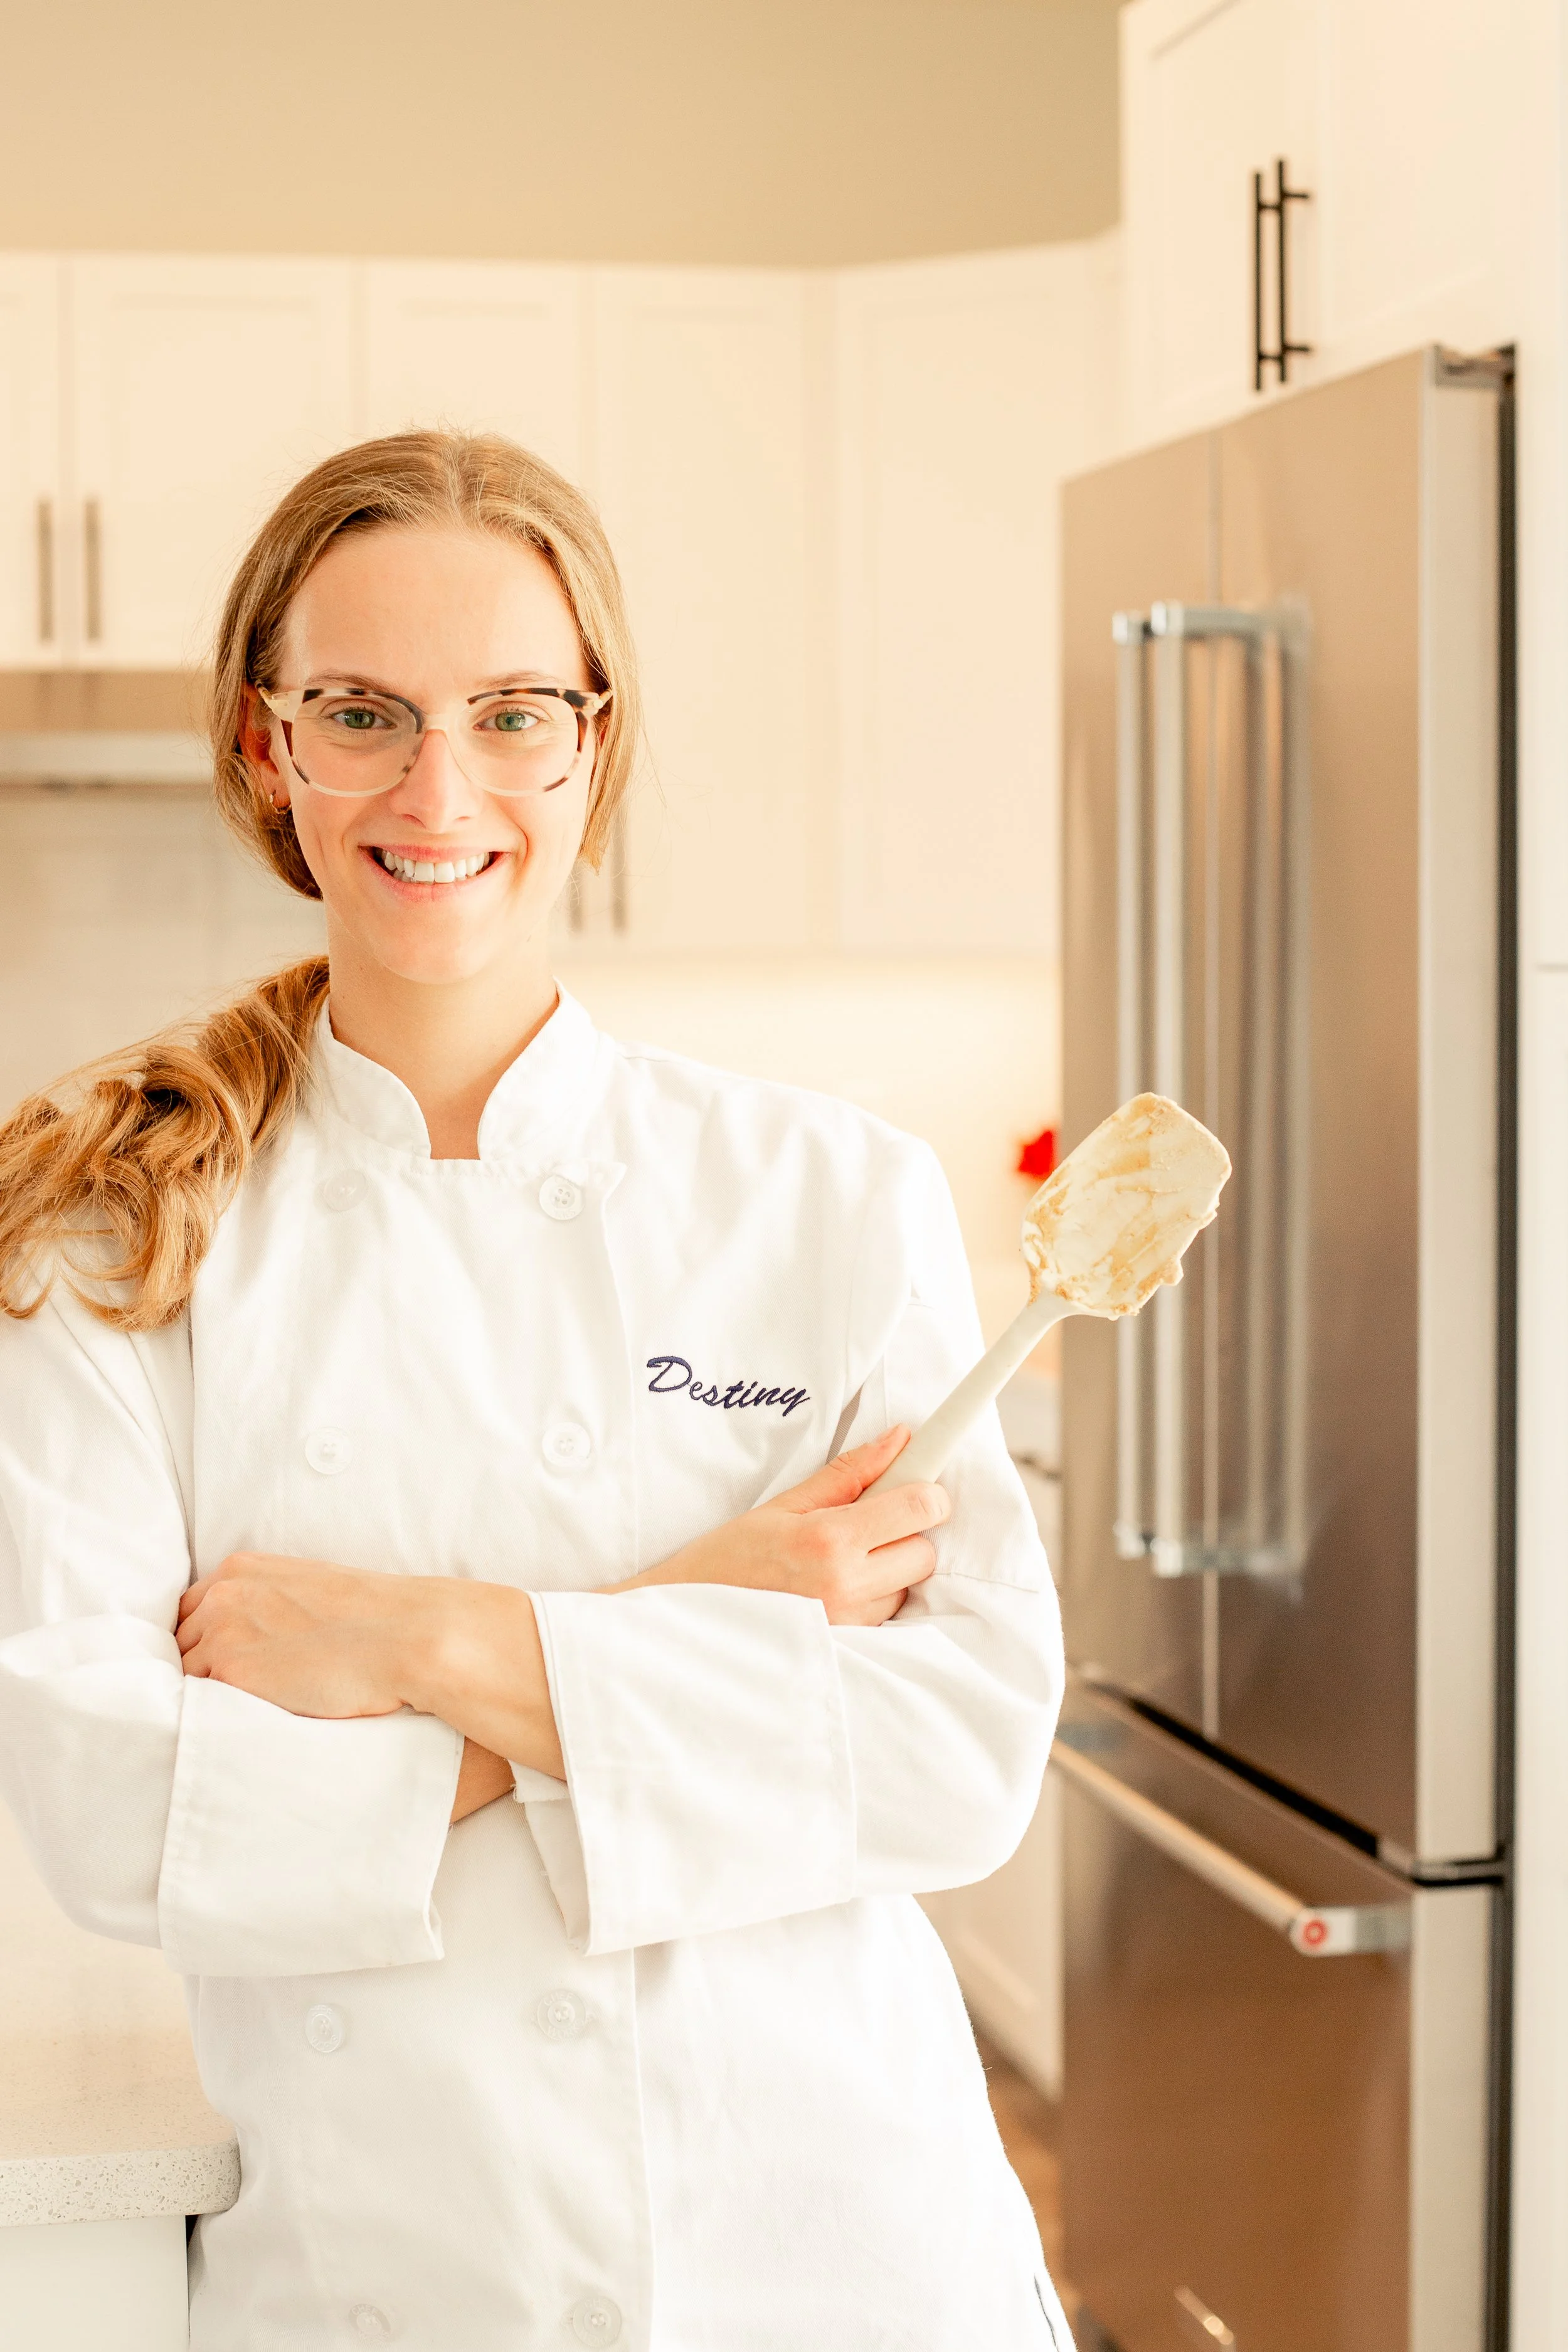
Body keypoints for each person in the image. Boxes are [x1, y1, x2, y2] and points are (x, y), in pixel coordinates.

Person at [0, 432, 1072, 2352]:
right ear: (271, 749)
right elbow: (111, 1811)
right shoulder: (112, 1239)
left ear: (595, 741)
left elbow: (961, 1744)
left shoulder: (824, 1197)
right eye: (362, 713)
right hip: (391, 2263)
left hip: (835, 2241)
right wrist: (716, 1616)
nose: (440, 788)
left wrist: (405, 1638)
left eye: (510, 713)